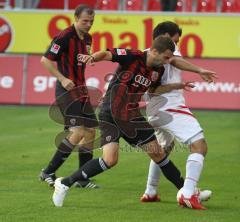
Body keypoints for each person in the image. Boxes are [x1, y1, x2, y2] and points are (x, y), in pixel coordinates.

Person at [51, 36, 216, 208]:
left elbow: (154, 90)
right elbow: (108, 54)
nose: (168, 61)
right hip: (111, 112)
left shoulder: (157, 71)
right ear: (153, 51)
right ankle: (64, 184)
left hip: (131, 114)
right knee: (110, 160)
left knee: (157, 154)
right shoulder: (133, 56)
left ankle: (187, 192)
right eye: (166, 57)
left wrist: (177, 85)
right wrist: (93, 57)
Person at [141, 21, 215, 209]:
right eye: (175, 40)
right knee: (199, 145)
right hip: (170, 107)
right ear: (165, 37)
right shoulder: (169, 52)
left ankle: (150, 191)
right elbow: (174, 60)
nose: (176, 46)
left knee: (163, 149)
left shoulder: (145, 54)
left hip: (154, 109)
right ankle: (189, 193)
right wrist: (199, 70)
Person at [39, 4, 98, 189]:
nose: (88, 24)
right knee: (77, 132)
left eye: (91, 21)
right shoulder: (64, 36)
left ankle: (82, 177)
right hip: (66, 90)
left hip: (81, 90)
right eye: (85, 21)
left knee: (90, 132)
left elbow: (80, 59)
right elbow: (45, 60)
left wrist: (90, 59)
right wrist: (63, 79)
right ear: (75, 18)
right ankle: (48, 171)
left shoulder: (88, 38)